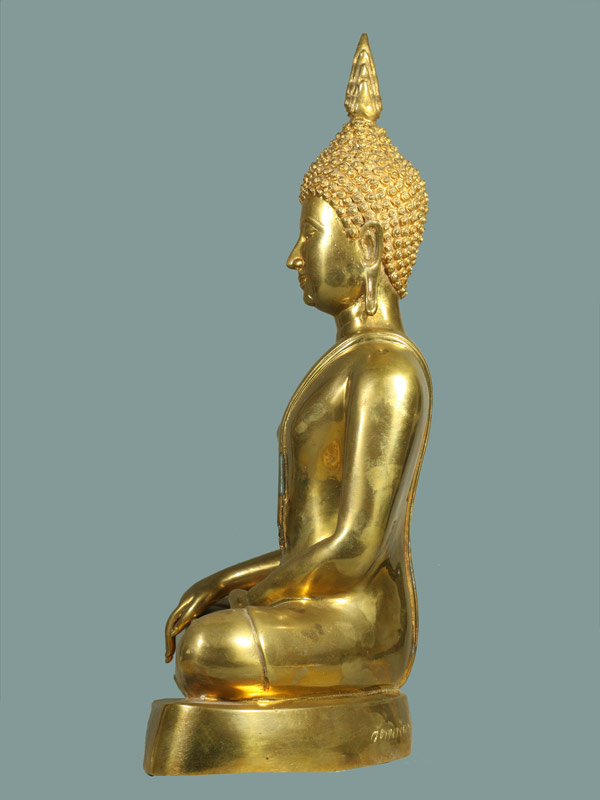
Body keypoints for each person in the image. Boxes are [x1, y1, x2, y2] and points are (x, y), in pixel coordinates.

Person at [164, 35, 431, 701]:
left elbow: (354, 549)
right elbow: (309, 549)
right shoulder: (347, 363)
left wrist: (251, 596)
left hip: (361, 622)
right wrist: (224, 582)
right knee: (208, 634)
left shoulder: (390, 370)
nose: (295, 255)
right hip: (316, 601)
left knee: (208, 650)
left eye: (311, 235)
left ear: (368, 246)